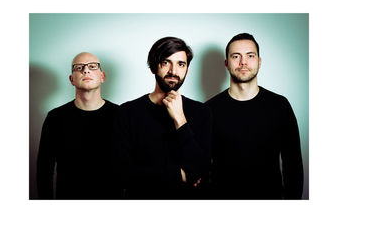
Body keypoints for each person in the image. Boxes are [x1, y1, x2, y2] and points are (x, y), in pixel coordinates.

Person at [206, 33, 304, 199]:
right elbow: (201, 167)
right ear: (226, 64)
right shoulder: (208, 109)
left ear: (259, 62)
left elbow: (293, 165)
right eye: (236, 56)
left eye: (250, 56)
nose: (243, 62)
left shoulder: (280, 106)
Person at [113, 37, 212, 199]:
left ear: (187, 69)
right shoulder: (127, 112)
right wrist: (178, 175)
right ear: (153, 67)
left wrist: (180, 119)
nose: (174, 71)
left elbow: (200, 170)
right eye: (166, 62)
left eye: (181, 64)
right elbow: (122, 174)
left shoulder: (201, 112)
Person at [37, 52, 119, 199]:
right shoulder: (55, 118)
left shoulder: (122, 115)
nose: (86, 70)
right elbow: (44, 171)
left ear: (103, 77)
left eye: (93, 67)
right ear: (71, 79)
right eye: (79, 67)